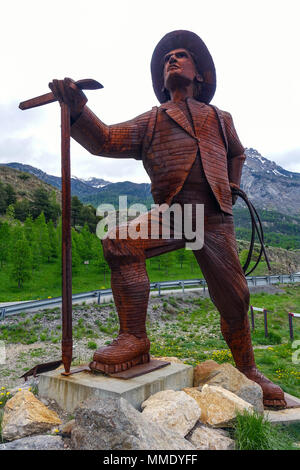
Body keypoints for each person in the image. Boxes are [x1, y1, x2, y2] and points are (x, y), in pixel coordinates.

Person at [49, 30, 286, 407]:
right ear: (161, 80)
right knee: (120, 238)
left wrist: (232, 188)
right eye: (166, 60)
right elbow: (105, 139)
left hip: (215, 218)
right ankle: (134, 339)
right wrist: (77, 109)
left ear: (200, 75)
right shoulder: (153, 120)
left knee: (236, 299)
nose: (171, 61)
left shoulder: (221, 118)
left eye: (180, 56)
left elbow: (237, 154)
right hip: (174, 214)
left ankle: (249, 370)